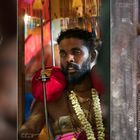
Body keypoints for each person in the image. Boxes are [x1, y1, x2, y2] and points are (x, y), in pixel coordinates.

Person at [19, 28, 107, 140]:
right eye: (63, 54)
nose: (69, 59)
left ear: (92, 56)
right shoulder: (50, 95)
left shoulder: (106, 91)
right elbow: (29, 128)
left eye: (76, 52)